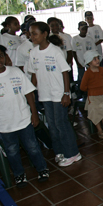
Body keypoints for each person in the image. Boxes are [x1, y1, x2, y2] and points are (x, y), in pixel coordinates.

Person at [0, 43, 49, 187]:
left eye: (1, 56)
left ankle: (42, 169)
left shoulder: (15, 72)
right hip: (3, 124)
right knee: (12, 151)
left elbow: (29, 93)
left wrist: (34, 114)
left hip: (23, 119)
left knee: (33, 146)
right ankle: (19, 174)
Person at [28, 21, 82, 167]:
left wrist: (66, 93)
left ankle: (73, 153)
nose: (31, 36)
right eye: (30, 33)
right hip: (45, 95)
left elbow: (65, 72)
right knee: (52, 124)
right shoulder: (33, 53)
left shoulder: (55, 51)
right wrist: (31, 93)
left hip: (59, 94)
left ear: (44, 34)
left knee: (61, 123)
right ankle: (60, 151)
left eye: (35, 33)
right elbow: (33, 75)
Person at [79, 50, 103, 138]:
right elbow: (82, 87)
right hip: (93, 96)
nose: (97, 60)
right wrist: (91, 89)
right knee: (96, 113)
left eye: (97, 58)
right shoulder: (87, 73)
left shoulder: (102, 70)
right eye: (94, 59)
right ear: (89, 62)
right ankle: (99, 130)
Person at [72, 21, 95, 95]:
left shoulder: (90, 39)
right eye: (82, 29)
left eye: (85, 29)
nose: (84, 30)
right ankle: (81, 95)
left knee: (90, 78)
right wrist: (78, 63)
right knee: (82, 79)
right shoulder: (75, 39)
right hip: (80, 62)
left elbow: (93, 51)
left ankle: (90, 93)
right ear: (78, 29)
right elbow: (74, 52)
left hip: (89, 62)